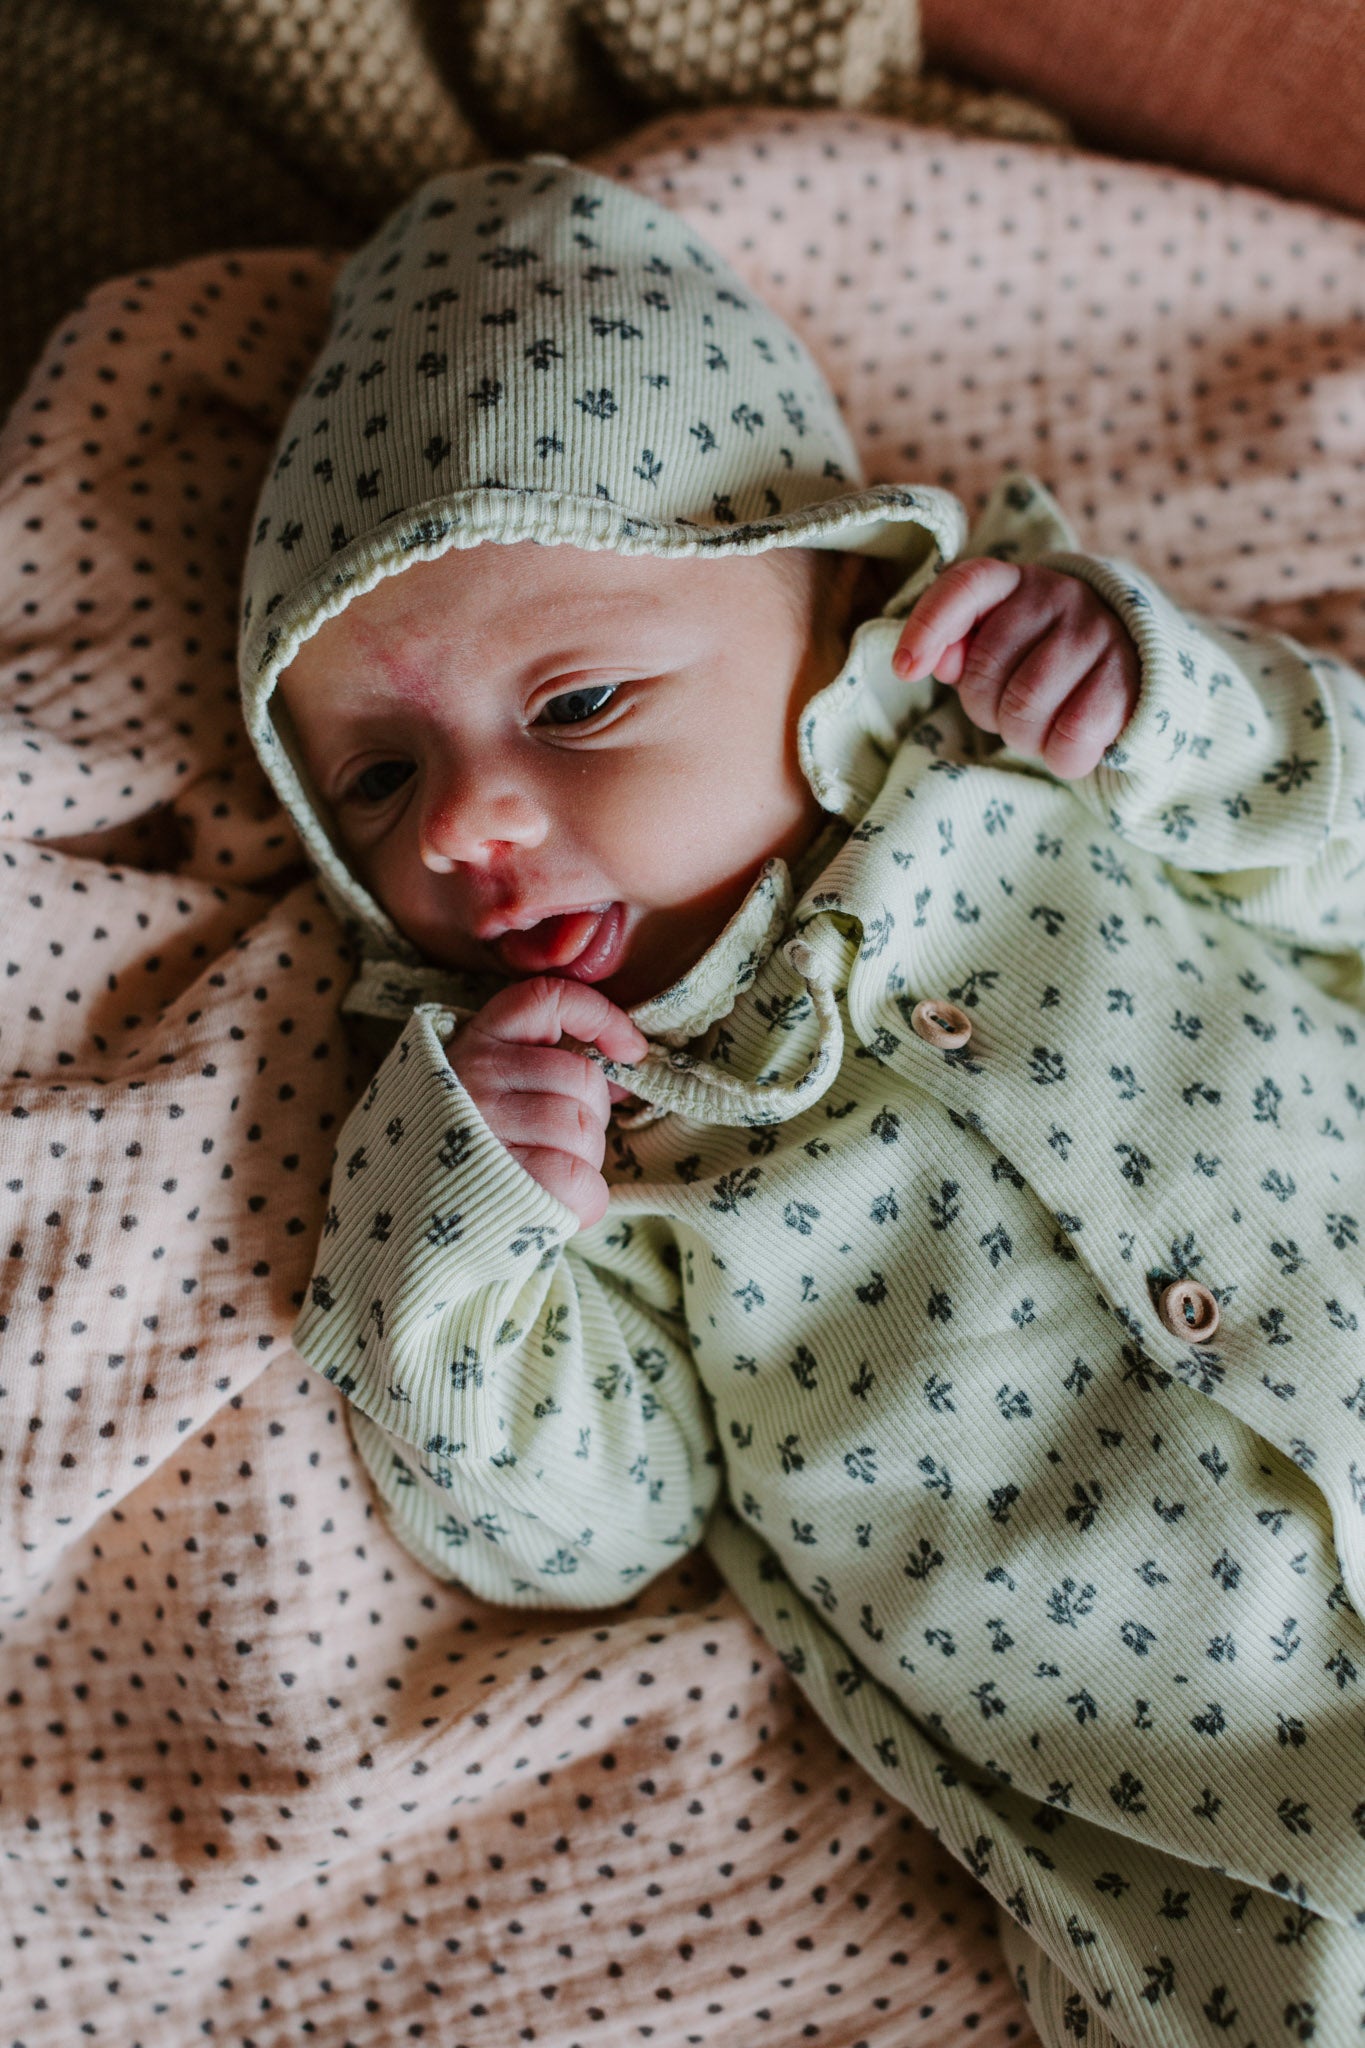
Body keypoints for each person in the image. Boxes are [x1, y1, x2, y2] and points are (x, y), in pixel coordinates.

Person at [238, 156, 1365, 2048]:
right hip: (1223, 1851)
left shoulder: (1046, 764)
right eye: (370, 782)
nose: (458, 826)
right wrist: (465, 1224)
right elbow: (589, 1529)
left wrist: (1184, 713)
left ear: (839, 590)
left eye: (578, 701)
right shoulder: (554, 1132)